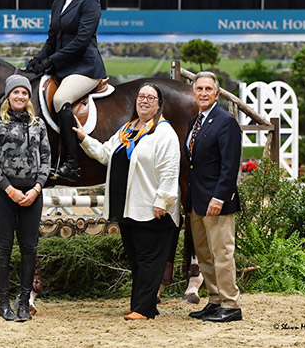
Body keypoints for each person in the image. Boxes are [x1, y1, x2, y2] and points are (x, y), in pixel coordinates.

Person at [73, 83, 181, 320]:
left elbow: (170, 170)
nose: (144, 101)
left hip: (152, 208)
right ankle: (140, 304)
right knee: (136, 258)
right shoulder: (128, 130)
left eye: (150, 97)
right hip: (127, 206)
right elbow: (104, 154)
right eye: (141, 96)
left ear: (158, 104)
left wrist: (163, 201)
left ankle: (144, 309)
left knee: (149, 258)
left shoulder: (164, 133)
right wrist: (84, 138)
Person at [26, 0, 107, 183]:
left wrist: (50, 62)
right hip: (62, 67)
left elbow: (82, 41)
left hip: (85, 67)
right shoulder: (58, 3)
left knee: (61, 99)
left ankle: (71, 163)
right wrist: (37, 60)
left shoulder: (90, 1)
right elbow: (52, 39)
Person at [0, 74, 51, 322]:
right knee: (3, 249)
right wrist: (10, 190)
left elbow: (46, 160)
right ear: (8, 96)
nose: (21, 96)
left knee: (29, 248)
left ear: (28, 97)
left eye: (24, 93)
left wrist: (36, 189)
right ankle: (3, 304)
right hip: (5, 195)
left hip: (33, 195)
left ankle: (24, 302)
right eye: (16, 93)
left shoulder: (38, 124)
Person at [185, 71, 243, 323]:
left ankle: (231, 305)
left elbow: (230, 166)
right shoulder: (194, 122)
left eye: (209, 89)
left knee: (221, 254)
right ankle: (215, 299)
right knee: (205, 256)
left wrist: (219, 198)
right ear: (193, 92)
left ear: (217, 93)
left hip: (217, 201)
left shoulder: (226, 121)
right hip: (197, 201)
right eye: (199, 89)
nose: (204, 93)